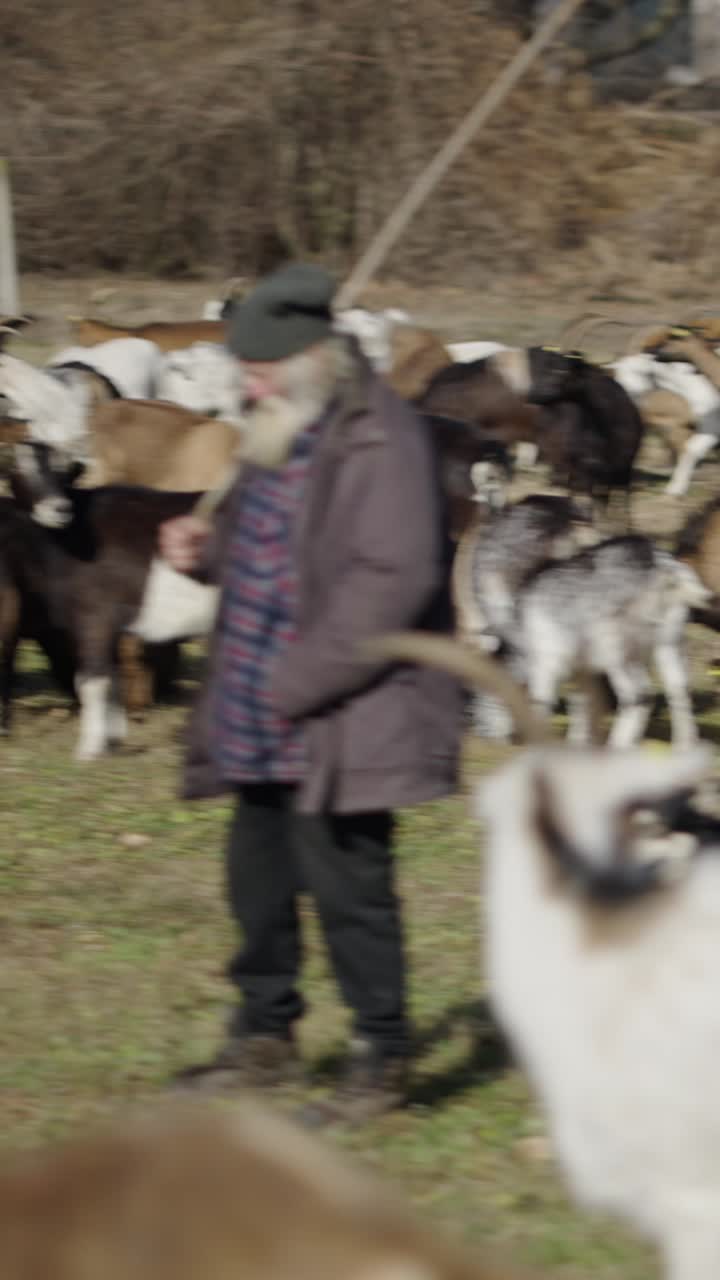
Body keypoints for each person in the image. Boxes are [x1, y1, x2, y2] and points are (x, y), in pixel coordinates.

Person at [160, 263, 463, 1126]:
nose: (247, 386)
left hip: (344, 708)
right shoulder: (279, 420)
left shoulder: (381, 438)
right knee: (255, 879)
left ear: (311, 359)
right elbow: (262, 544)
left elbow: (393, 577)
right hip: (259, 702)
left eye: (259, 371)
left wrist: (296, 681)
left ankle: (382, 1055)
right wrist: (204, 551)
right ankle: (265, 1037)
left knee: (350, 888)